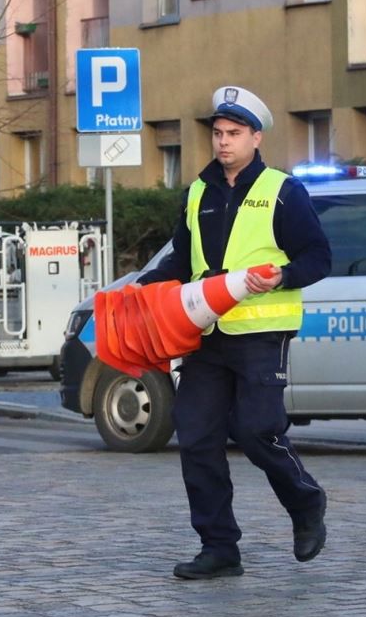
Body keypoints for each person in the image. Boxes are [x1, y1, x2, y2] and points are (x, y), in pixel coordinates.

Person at [138, 86, 332, 580]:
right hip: (206, 333)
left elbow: (318, 258)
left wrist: (283, 277)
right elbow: (182, 259)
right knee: (197, 435)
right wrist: (141, 289)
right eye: (218, 134)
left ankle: (305, 503)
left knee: (256, 430)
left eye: (234, 134)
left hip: (263, 332)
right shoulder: (198, 193)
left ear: (255, 137)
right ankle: (219, 547)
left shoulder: (283, 191)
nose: (223, 143)